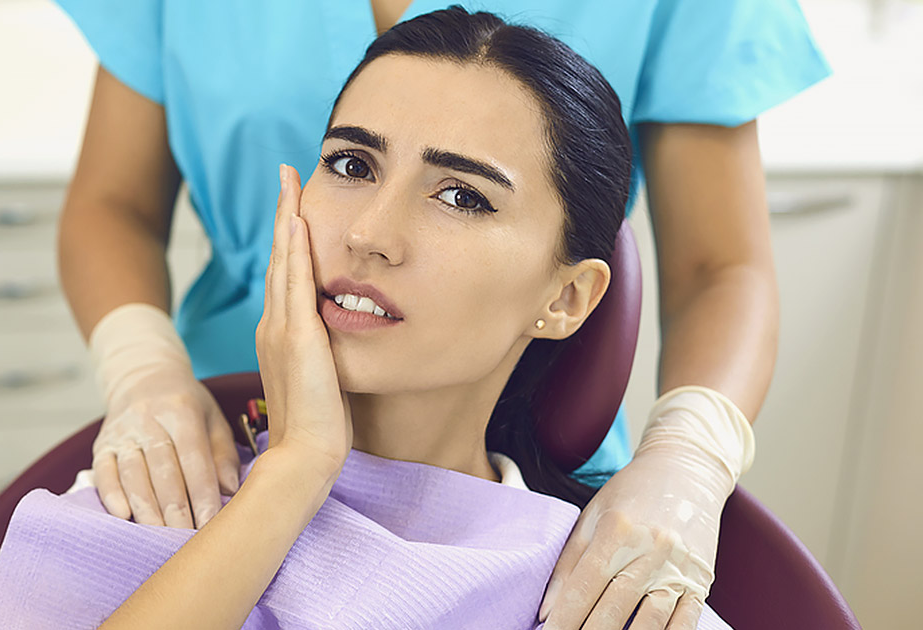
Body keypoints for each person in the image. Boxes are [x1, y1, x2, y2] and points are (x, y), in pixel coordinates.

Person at [54, 1, 826, 628]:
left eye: (463, 196)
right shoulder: (114, 529)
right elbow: (112, 203)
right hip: (210, 440)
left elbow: (719, 266)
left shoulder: (579, 595)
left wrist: (687, 459)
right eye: (349, 165)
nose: (368, 235)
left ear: (568, 298)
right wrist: (145, 373)